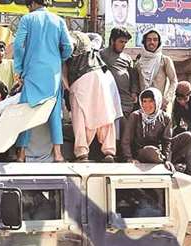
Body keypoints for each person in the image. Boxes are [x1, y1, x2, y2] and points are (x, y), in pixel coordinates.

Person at [13, 0, 73, 162]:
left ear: (31, 3)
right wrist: (57, 58)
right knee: (54, 112)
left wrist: (18, 69)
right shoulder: (58, 20)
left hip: (32, 72)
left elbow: (18, 45)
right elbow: (68, 47)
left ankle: (22, 154)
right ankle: (58, 153)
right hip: (52, 73)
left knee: (26, 112)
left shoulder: (27, 19)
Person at [63, 31, 121, 162]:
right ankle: (109, 152)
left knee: (80, 117)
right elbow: (97, 37)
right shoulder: (93, 45)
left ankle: (82, 153)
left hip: (79, 80)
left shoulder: (65, 46)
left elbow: (63, 71)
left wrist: (68, 89)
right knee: (104, 113)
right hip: (99, 77)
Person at [101, 27, 139, 157]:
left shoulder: (127, 58)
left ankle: (125, 154)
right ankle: (111, 153)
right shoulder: (102, 55)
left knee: (126, 129)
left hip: (126, 99)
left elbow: (133, 76)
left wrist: (134, 92)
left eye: (125, 42)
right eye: (121, 41)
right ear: (112, 41)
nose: (123, 45)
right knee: (113, 126)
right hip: (109, 99)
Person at [121, 88, 174, 171]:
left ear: (157, 102)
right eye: (144, 101)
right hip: (142, 152)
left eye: (151, 101)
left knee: (188, 137)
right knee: (150, 150)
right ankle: (161, 160)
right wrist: (129, 158)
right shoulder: (135, 116)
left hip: (160, 152)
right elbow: (126, 140)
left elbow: (167, 141)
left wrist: (167, 159)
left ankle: (165, 161)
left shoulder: (165, 117)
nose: (147, 105)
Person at [135, 29, 178, 112]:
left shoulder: (165, 60)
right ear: (144, 42)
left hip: (160, 105)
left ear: (159, 42)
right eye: (149, 40)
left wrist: (166, 99)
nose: (152, 42)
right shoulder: (139, 63)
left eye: (155, 40)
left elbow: (174, 81)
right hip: (144, 106)